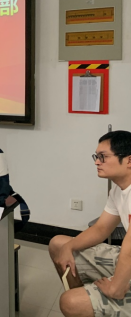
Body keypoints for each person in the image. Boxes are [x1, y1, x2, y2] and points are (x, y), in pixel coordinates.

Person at [49, 131, 131, 317]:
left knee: (70, 302)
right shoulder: (118, 191)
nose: (96, 162)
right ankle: (89, 303)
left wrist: (116, 287)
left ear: (129, 160)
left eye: (103, 157)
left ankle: (85, 303)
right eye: (96, 156)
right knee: (59, 244)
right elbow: (101, 228)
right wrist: (69, 246)